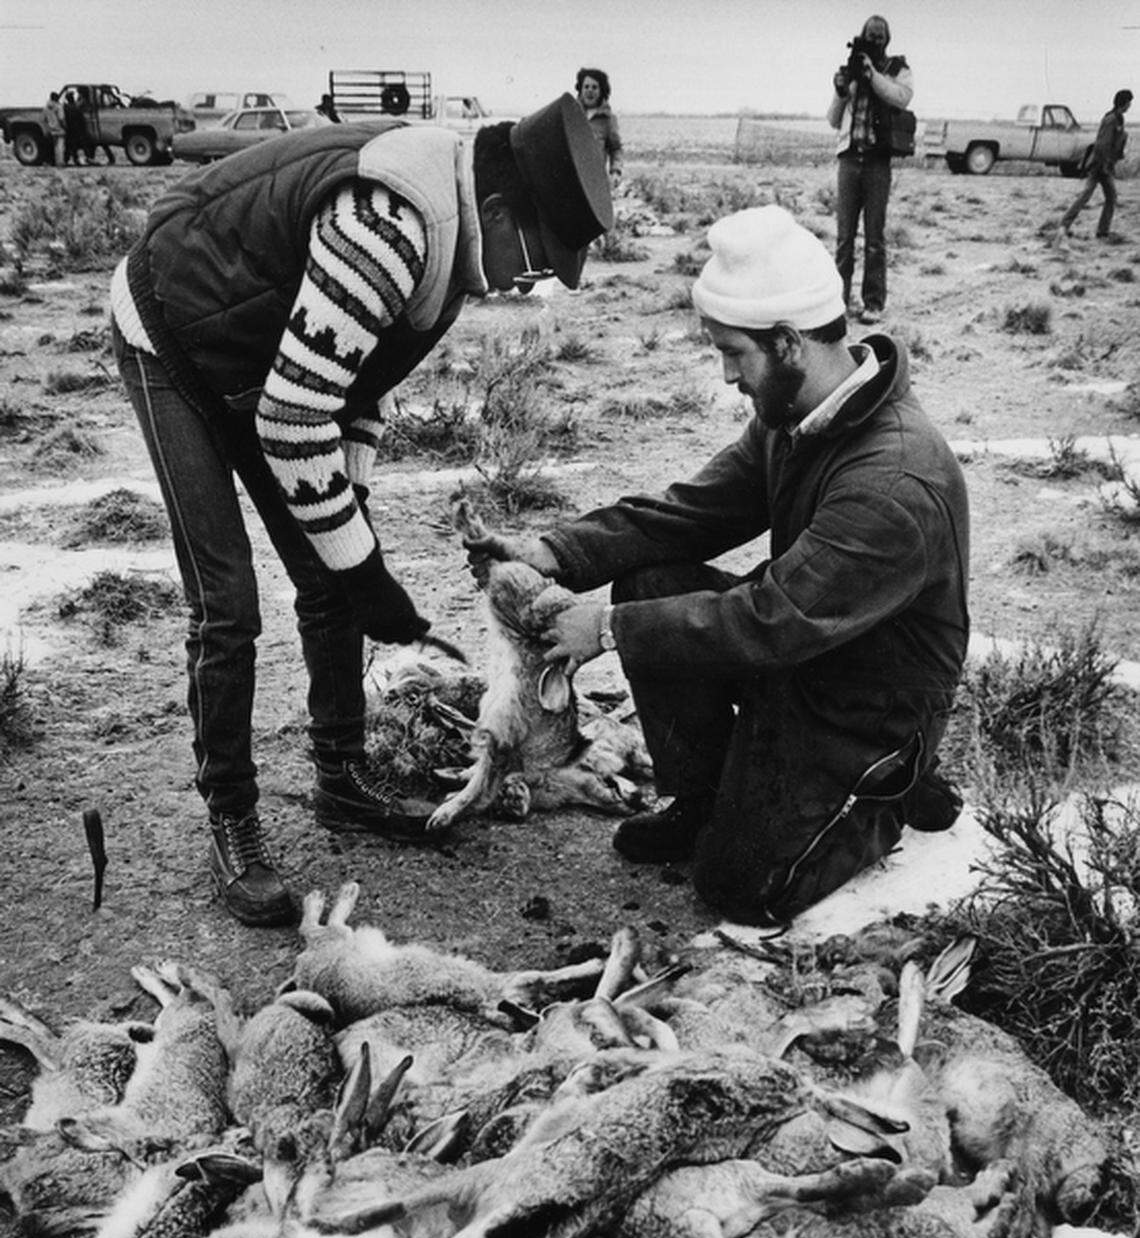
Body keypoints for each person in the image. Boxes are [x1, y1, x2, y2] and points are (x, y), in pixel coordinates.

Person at [109, 94, 612, 928]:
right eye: (538, 251)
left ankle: (341, 777)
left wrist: (354, 519)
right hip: (173, 333)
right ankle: (232, 816)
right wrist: (368, 569)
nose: (534, 276)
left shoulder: (453, 245)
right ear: (494, 208)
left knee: (330, 569)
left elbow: (357, 387)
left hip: (267, 361)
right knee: (228, 603)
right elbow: (294, 416)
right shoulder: (392, 229)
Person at [472, 205, 969, 930]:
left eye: (735, 354)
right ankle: (705, 797)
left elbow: (772, 619)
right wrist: (553, 552)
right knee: (651, 580)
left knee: (743, 888)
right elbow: (692, 512)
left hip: (867, 702)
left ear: (790, 342)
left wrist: (606, 629)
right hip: (809, 649)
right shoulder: (797, 417)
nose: (729, 375)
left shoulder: (894, 481)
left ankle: (889, 791)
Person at [826, 13, 913, 325]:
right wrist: (841, 90)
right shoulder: (851, 71)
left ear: (887, 40)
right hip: (849, 160)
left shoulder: (896, 69)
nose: (874, 39)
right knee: (844, 237)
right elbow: (834, 119)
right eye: (870, 34)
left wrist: (872, 74)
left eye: (879, 35)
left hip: (877, 163)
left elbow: (901, 97)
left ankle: (873, 303)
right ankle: (838, 302)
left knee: (874, 237)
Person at [1060, 89, 1133, 242]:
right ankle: (1067, 226)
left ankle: (1100, 231)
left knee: (1106, 197)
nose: (1130, 105)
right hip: (1100, 165)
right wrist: (1104, 165)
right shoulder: (1111, 119)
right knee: (1091, 196)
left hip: (1104, 166)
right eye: (1129, 102)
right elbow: (1102, 145)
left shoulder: (1117, 119)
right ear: (1124, 103)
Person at [575, 67, 623, 185]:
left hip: (594, 181)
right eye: (586, 86)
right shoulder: (570, 114)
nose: (590, 90)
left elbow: (616, 148)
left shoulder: (608, 119)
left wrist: (615, 171)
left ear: (602, 91)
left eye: (594, 87)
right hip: (570, 176)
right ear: (580, 89)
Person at [61, 90, 87, 166]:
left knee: (69, 146)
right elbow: (82, 120)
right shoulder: (76, 108)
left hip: (69, 129)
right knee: (75, 146)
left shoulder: (65, 108)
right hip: (77, 130)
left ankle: (66, 160)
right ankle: (76, 160)